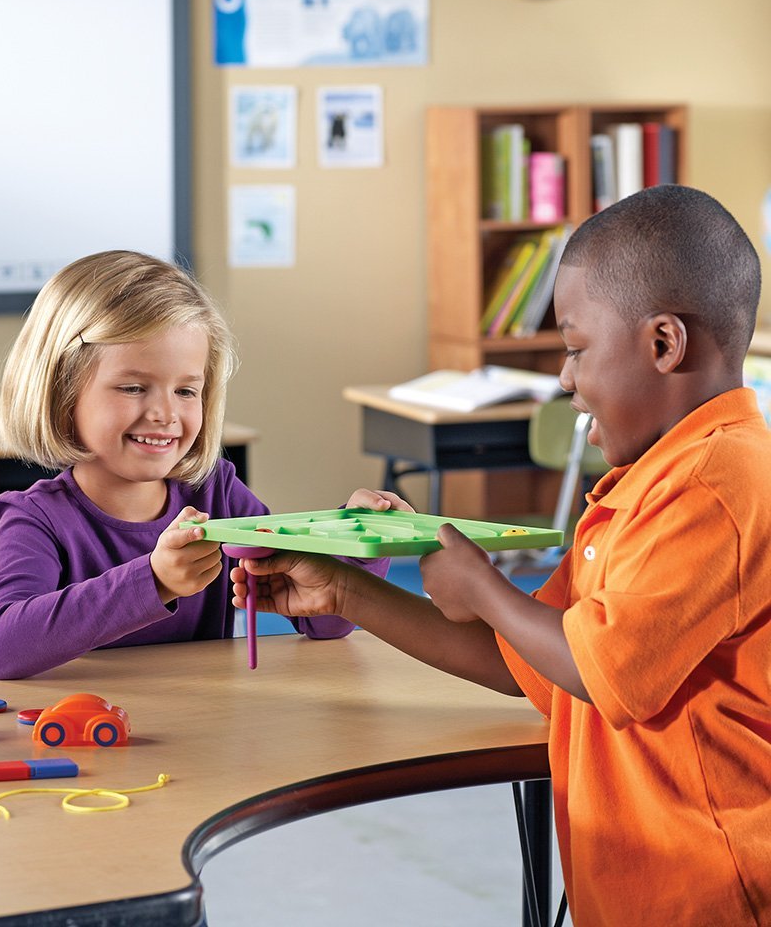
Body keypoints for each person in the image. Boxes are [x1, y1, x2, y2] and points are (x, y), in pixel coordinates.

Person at [232, 185, 771, 926]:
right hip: (645, 892)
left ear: (663, 344)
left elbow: (600, 671)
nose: (566, 380)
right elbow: (529, 663)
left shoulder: (720, 481)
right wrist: (349, 592)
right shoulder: (646, 486)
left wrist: (484, 587)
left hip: (712, 892)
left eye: (578, 350)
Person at [0, 250, 405, 680]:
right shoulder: (36, 518)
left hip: (205, 732)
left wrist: (362, 550)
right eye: (132, 387)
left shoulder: (216, 492)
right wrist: (154, 580)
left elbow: (323, 620)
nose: (165, 413)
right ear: (61, 389)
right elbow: (3, 647)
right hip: (87, 731)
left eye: (186, 391)